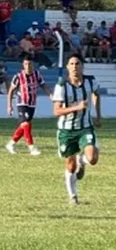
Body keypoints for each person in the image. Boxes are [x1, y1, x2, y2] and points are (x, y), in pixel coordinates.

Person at [53, 53, 102, 205]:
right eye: (72, 64)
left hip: (85, 127)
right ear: (67, 67)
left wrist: (98, 115)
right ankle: (73, 196)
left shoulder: (90, 81)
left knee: (93, 158)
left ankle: (83, 160)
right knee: (70, 165)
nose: (75, 67)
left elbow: (96, 94)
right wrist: (77, 107)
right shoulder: (61, 85)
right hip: (66, 131)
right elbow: (57, 111)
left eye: (77, 64)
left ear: (82, 66)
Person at [6, 55, 51, 156]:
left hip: (32, 104)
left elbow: (43, 85)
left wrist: (51, 95)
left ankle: (11, 144)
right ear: (23, 65)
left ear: (33, 64)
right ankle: (32, 148)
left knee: (24, 126)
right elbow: (10, 91)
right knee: (26, 124)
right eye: (26, 64)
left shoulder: (37, 74)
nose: (28, 66)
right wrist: (9, 105)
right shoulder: (18, 76)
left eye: (30, 64)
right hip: (22, 103)